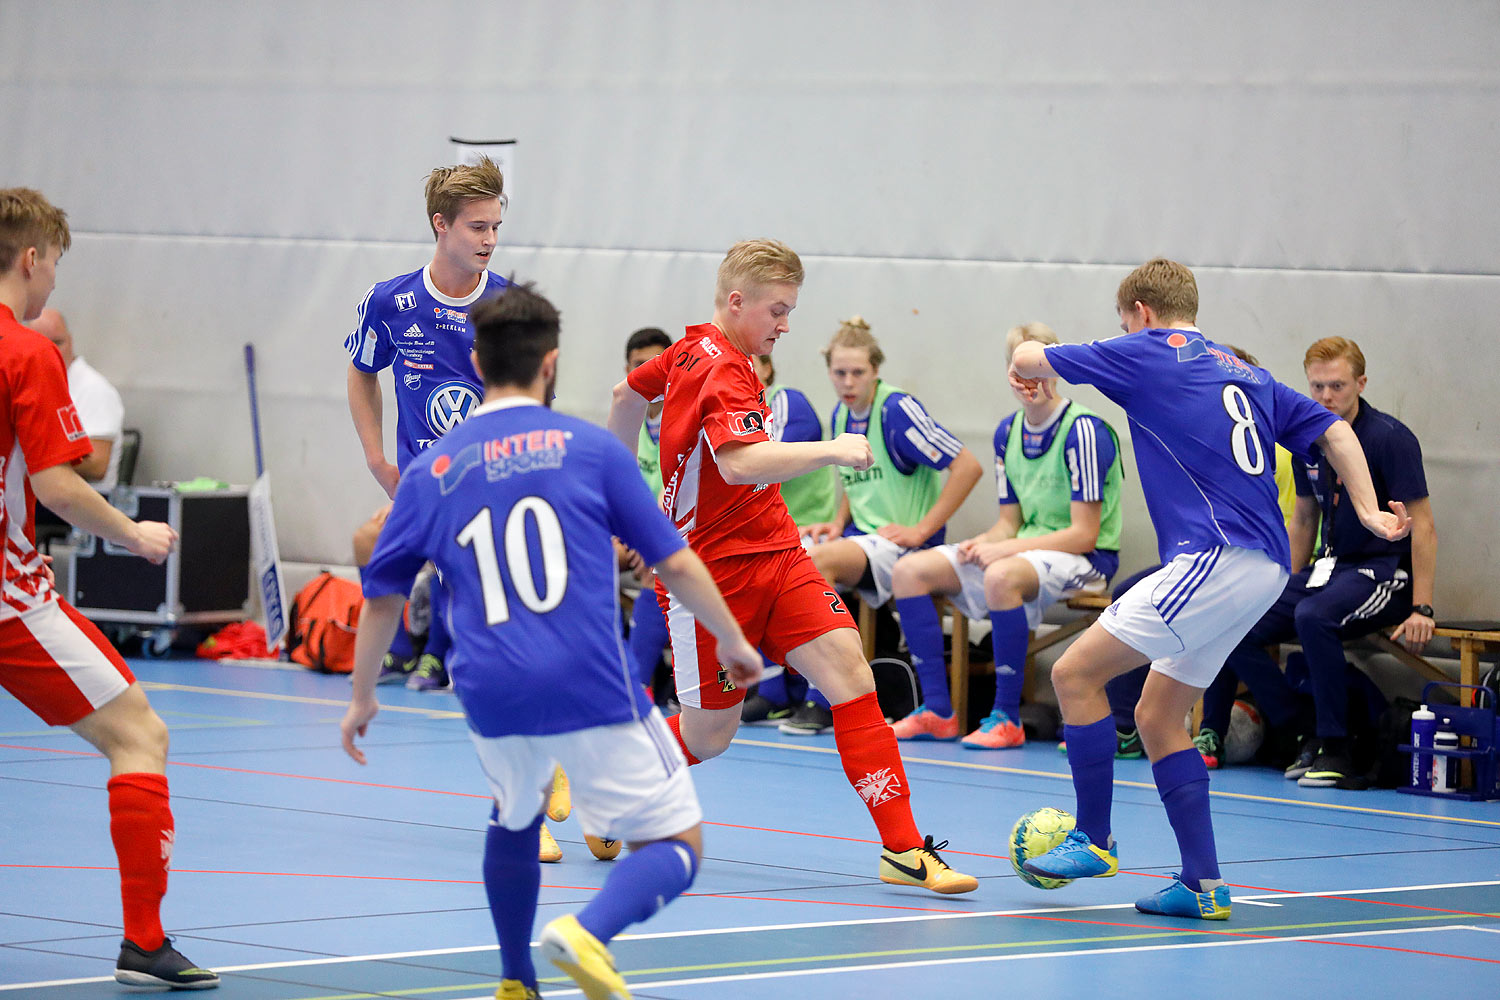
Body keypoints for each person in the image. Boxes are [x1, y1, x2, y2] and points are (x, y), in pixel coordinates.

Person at [341, 284, 760, 1000]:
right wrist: (731, 639)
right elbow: (675, 561)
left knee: (514, 811)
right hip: (587, 678)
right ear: (552, 364)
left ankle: (514, 978)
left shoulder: (433, 470)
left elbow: (382, 597)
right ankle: (589, 930)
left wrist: (358, 698)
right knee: (678, 842)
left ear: (476, 362)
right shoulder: (591, 450)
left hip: (488, 686)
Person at [1011, 258, 1410, 920]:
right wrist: (1368, 510)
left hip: (1215, 558)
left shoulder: (1146, 351)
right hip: (1264, 569)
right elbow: (1336, 430)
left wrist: (1029, 358)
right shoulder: (1247, 372)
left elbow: (1030, 354)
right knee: (1160, 716)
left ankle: (1095, 838)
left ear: (1140, 312)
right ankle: (1203, 883)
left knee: (1076, 674)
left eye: (1124, 322)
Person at [608, 239, 978, 896]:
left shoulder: (695, 348)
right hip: (710, 580)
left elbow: (625, 395)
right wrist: (836, 449)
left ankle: (902, 847)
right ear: (736, 302)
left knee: (851, 676)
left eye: (789, 310)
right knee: (711, 736)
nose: (785, 324)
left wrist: (620, 484)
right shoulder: (718, 368)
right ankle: (609, 768)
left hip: (778, 555)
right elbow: (739, 462)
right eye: (777, 310)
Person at [0, 187, 217, 988]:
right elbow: (57, 485)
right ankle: (144, 942)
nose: (54, 278)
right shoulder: (25, 352)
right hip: (9, 601)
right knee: (140, 737)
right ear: (32, 258)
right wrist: (133, 535)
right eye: (54, 261)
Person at [1214, 336, 1436, 789]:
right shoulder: (1308, 440)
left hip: (1381, 572)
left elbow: (1425, 527)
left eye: (1336, 386)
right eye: (1316, 387)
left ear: (1361, 383)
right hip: (1327, 569)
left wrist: (1422, 607)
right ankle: (1300, 727)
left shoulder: (1389, 439)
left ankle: (1336, 747)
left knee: (1313, 616)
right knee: (1235, 619)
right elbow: (1303, 520)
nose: (1325, 397)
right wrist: (1279, 583)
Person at [889, 322, 1122, 748]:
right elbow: (1009, 523)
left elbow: (1085, 535)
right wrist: (985, 542)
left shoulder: (1084, 431)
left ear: (1054, 367)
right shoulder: (1007, 432)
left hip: (1088, 560)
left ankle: (1006, 717)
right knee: (909, 570)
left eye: (1039, 365)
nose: (1029, 376)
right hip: (1028, 551)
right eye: (1020, 366)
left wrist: (1006, 549)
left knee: (1001, 576)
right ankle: (938, 711)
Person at [344, 156, 509, 693]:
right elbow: (362, 372)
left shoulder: (508, 306)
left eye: (495, 227)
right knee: (370, 540)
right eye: (477, 227)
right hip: (422, 481)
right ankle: (394, 660)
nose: (490, 239)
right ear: (442, 224)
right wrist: (376, 458)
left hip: (489, 479)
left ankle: (445, 655)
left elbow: (533, 404)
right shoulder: (392, 301)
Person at [789, 317, 983, 734]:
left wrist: (921, 530)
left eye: (858, 372)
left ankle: (825, 697)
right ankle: (778, 687)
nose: (848, 381)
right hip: (864, 538)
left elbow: (968, 467)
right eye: (839, 373)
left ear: (876, 370)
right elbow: (853, 481)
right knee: (789, 554)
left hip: (904, 542)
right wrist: (838, 521)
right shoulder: (840, 414)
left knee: (816, 564)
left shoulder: (897, 411)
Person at [737, 352, 833, 725]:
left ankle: (819, 695)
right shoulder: (729, 413)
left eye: (750, 364)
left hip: (809, 528)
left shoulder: (787, 402)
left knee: (765, 565)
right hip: (769, 533)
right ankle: (771, 690)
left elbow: (763, 467)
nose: (742, 373)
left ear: (767, 368)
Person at [30, 308, 124, 490]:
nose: (51, 352)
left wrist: (32, 453)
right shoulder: (30, 386)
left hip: (78, 509)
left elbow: (97, 465)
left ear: (71, 341)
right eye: (41, 344)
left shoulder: (94, 390)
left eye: (58, 343)